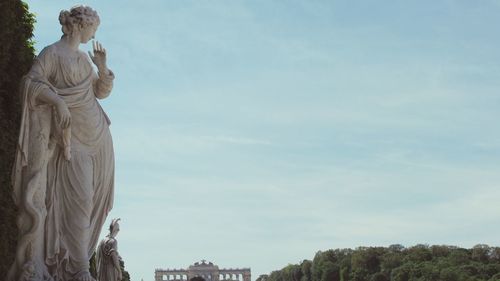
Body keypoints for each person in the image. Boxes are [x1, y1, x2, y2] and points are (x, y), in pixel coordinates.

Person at [8, 5, 115, 281]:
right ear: (80, 25)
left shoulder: (83, 61)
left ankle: (79, 265)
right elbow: (30, 83)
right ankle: (78, 268)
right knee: (80, 201)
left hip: (98, 139)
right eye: (93, 28)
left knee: (90, 205)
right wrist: (56, 100)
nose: (94, 35)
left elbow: (100, 93)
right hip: (73, 141)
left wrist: (102, 68)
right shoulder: (52, 54)